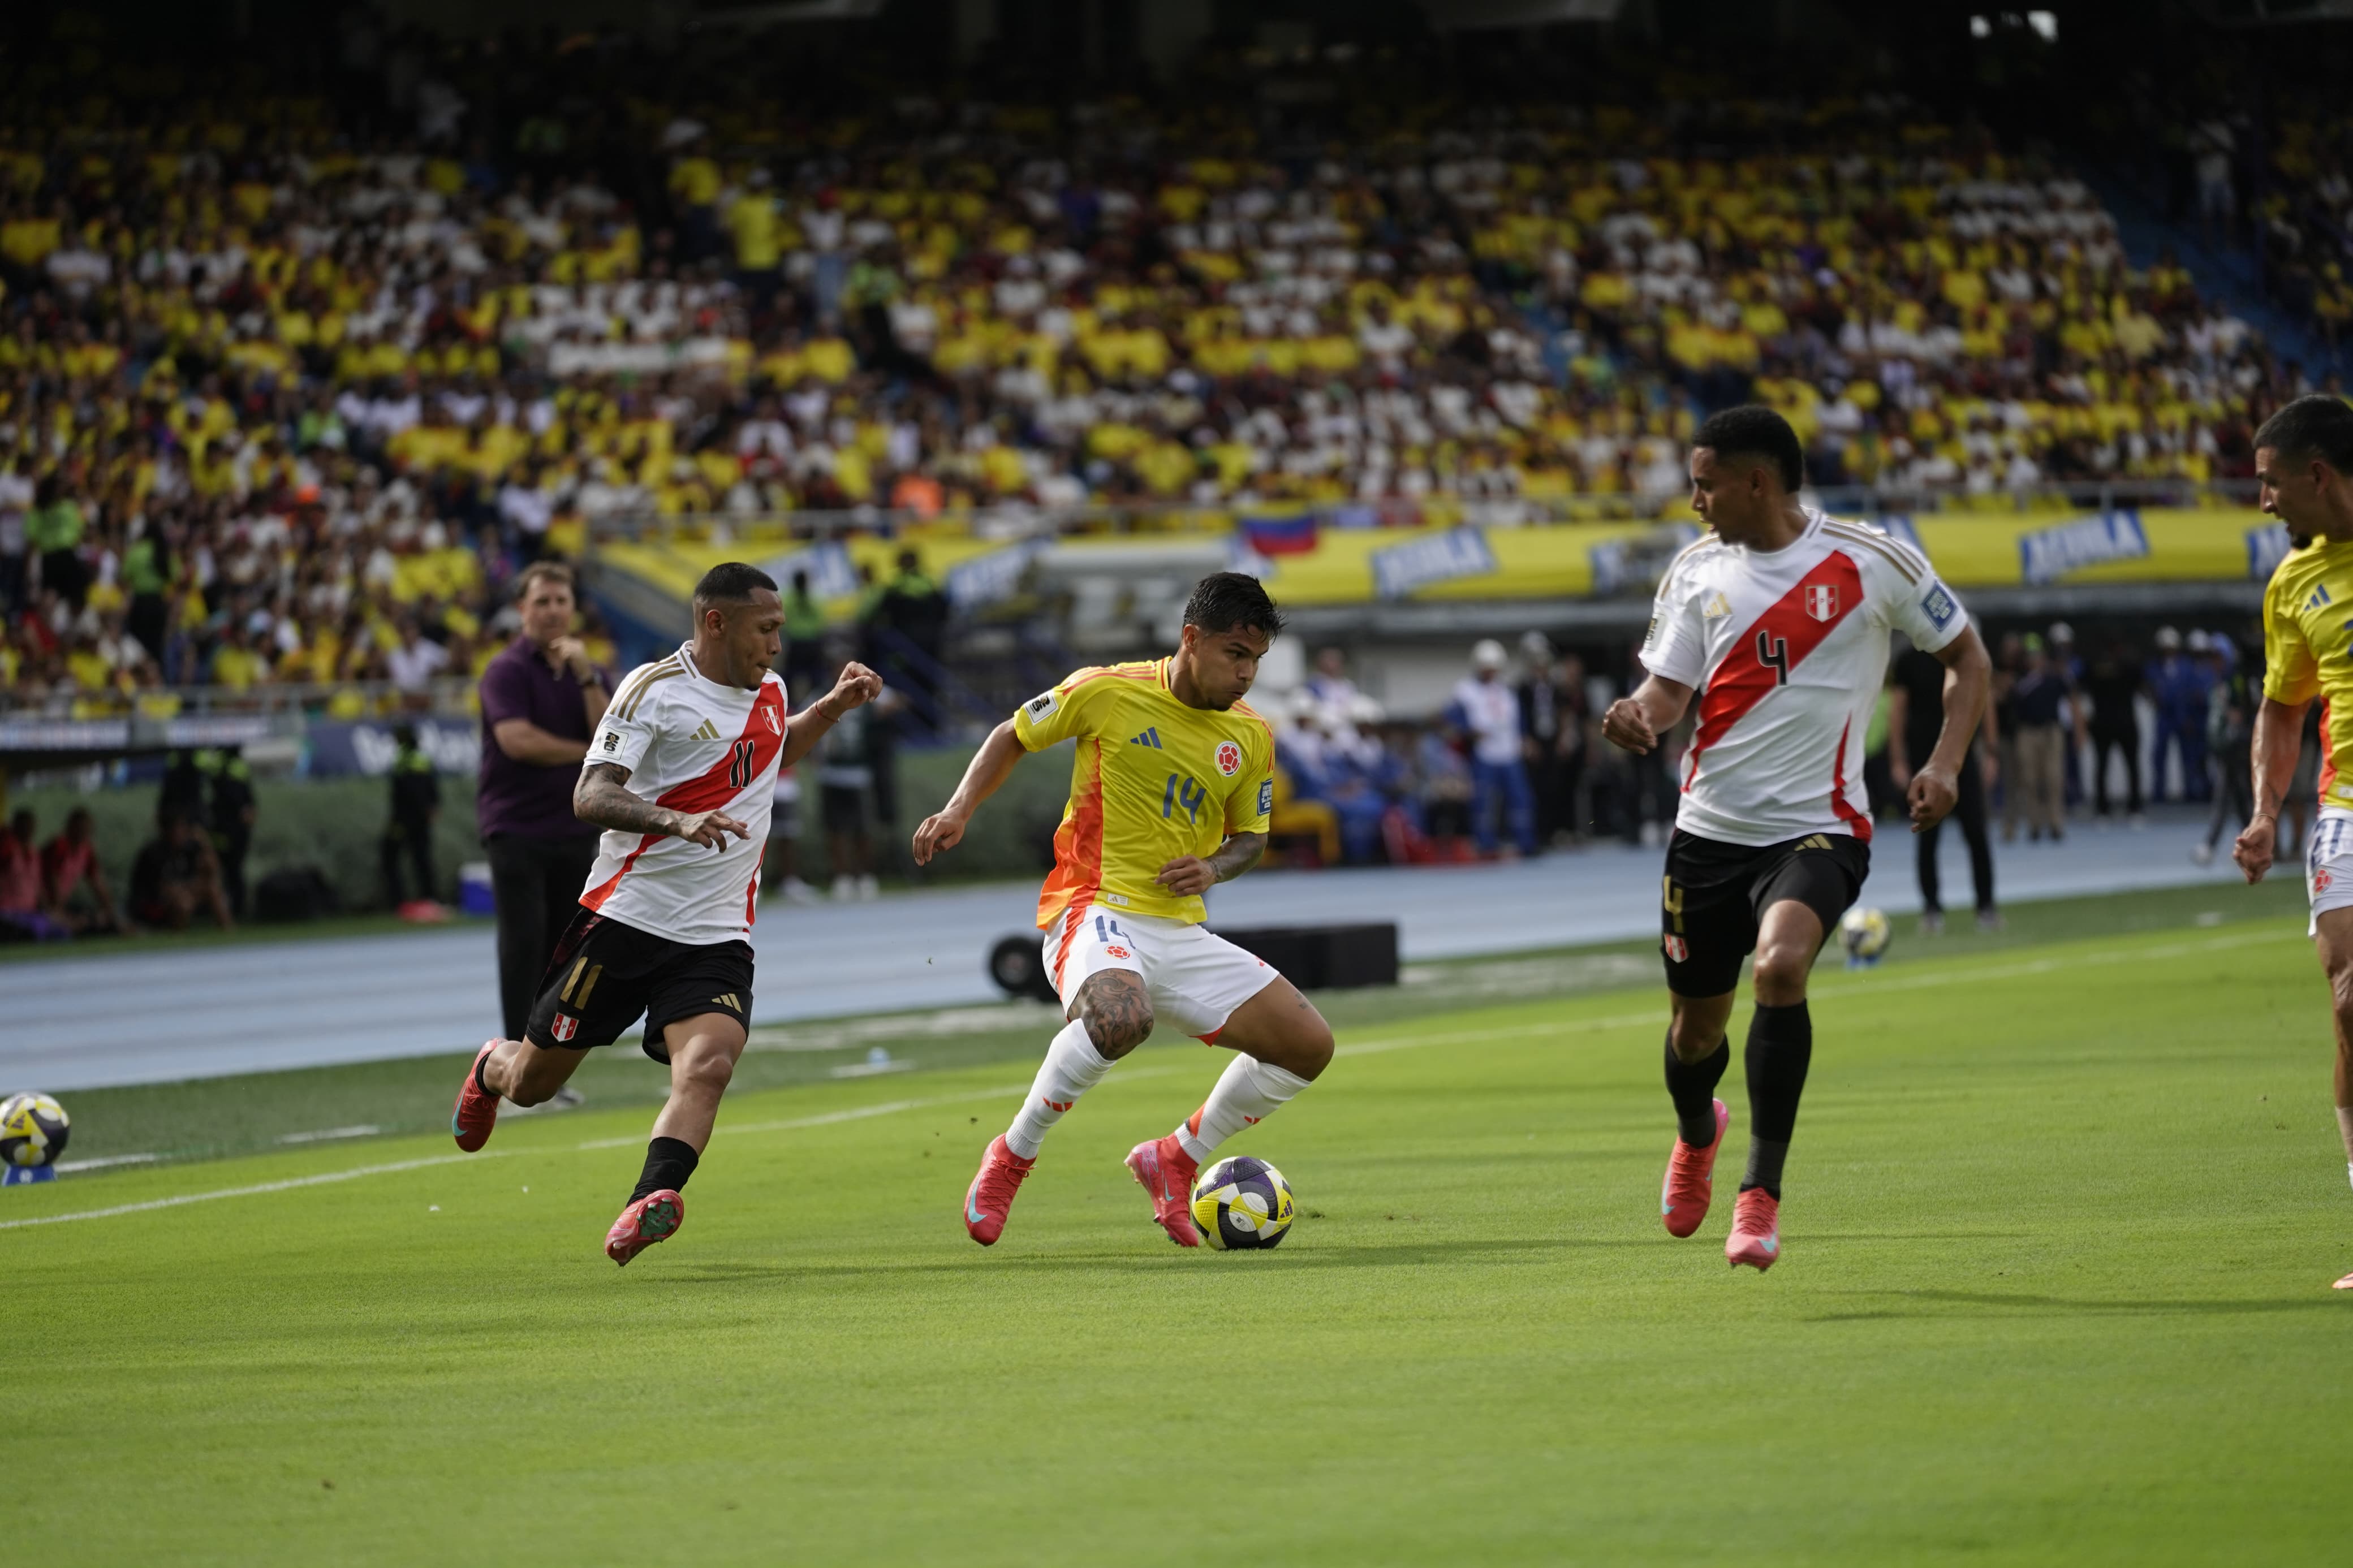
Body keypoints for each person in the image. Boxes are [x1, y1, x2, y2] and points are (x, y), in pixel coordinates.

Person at [1602, 405, 1988, 1272]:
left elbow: (1969, 659)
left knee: (1780, 968)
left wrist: (1946, 764)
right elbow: (1668, 692)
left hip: (1820, 829)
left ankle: (1759, 1194)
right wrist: (1640, 718)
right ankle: (1699, 1133)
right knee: (1694, 1035)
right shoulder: (1697, 570)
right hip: (1708, 832)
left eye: (1704, 482)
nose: (1693, 499)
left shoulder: (1872, 559)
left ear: (1756, 483)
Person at [450, 563, 883, 1265]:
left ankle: (648, 1201)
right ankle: (491, 1067)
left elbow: (770, 755)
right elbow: (590, 795)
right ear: (717, 622)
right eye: (766, 629)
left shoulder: (769, 692)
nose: (777, 645)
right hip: (625, 918)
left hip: (716, 933)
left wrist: (831, 706)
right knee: (535, 1083)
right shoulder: (652, 691)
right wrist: (674, 821)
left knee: (709, 1065)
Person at [913, 572, 1335, 1250]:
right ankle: (1011, 1157)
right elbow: (1012, 734)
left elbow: (1251, 838)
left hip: (1176, 928)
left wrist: (1214, 866)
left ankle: (1175, 1157)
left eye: (1254, 659)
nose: (1246, 673)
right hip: (1092, 908)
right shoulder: (1106, 690)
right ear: (1190, 639)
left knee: (1308, 1048)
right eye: (1234, 654)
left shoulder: (1250, 736)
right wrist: (959, 808)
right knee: (1120, 1018)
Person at [2231, 394, 2353, 1291]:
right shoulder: (2292, 584)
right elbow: (2282, 709)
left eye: (2271, 484)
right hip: (2346, 803)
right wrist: (2266, 811)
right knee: (2350, 1006)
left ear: (2319, 475)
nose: (2262, 501)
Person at [476, 561, 611, 1043]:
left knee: (567, 948)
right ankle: (515, 1052)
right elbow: (517, 740)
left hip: (574, 827)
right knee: (523, 943)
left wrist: (586, 676)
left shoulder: (588, 672)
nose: (553, 611)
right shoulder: (506, 670)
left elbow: (609, 736)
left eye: (562, 601)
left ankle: (547, 1060)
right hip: (517, 828)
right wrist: (587, 756)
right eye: (542, 601)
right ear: (521, 609)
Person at [1889, 634, 1999, 932]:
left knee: (1976, 833)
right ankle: (1932, 909)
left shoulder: (1962, 651)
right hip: (1924, 763)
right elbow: (1898, 710)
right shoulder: (1908, 660)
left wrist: (1991, 750)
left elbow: (1983, 696)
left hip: (1962, 760)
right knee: (1927, 838)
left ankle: (1987, 908)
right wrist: (1898, 760)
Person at [1451, 638, 1536, 857]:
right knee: (1484, 802)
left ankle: (1525, 843)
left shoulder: (1506, 690)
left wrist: (1524, 739)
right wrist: (1470, 732)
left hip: (1509, 752)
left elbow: (1518, 720)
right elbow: (1453, 720)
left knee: (1521, 799)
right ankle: (1485, 845)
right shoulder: (1465, 690)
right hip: (1484, 754)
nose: (1491, 673)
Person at [2003, 634, 2067, 842]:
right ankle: (2035, 823)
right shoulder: (2020, 679)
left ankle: (2056, 822)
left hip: (2050, 732)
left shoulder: (2053, 677)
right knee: (2029, 780)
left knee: (2053, 779)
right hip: (2027, 732)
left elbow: (2071, 697)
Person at [131, 808, 235, 931]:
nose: (182, 833)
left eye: (184, 828)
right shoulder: (153, 854)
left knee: (213, 889)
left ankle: (228, 930)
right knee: (184, 903)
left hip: (186, 892)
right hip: (155, 904)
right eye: (177, 829)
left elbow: (214, 871)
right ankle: (176, 936)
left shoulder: (190, 849)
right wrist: (189, 888)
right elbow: (162, 889)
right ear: (166, 830)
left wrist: (206, 845)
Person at [2083, 635, 2147, 823]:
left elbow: (2139, 679)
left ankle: (2133, 807)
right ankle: (2104, 809)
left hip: (2122, 724)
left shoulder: (2125, 666)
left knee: (2131, 767)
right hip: (2106, 725)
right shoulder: (2099, 667)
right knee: (2103, 767)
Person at [381, 722, 442, 911]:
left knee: (390, 857)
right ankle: (428, 899)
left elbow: (407, 792)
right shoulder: (422, 759)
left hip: (403, 819)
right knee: (422, 859)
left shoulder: (403, 760)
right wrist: (432, 808)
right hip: (421, 820)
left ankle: (399, 901)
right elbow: (432, 787)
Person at [42, 806, 123, 935]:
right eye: (79, 829)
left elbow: (96, 882)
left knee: (94, 918)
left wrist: (110, 911)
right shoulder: (59, 847)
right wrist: (57, 909)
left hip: (61, 903)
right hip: (45, 904)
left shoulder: (86, 850)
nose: (82, 833)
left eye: (85, 830)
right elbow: (52, 879)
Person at [200, 746, 256, 919]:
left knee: (229, 871)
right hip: (229, 829)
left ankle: (232, 910)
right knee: (229, 871)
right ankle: (229, 910)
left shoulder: (217, 764)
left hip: (226, 828)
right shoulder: (238, 766)